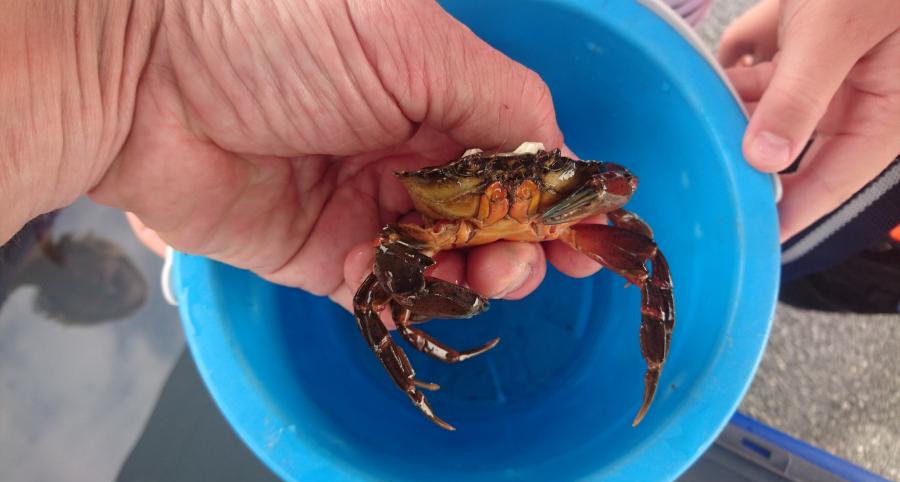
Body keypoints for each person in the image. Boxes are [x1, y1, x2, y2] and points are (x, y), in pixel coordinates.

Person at [2, 0, 898, 313]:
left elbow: (618, 186)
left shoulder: (559, 202)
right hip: (366, 125)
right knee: (379, 298)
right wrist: (131, 72)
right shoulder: (410, 222)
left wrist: (133, 66)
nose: (499, 197)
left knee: (657, 258)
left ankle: (659, 360)